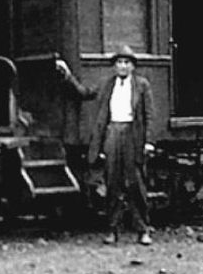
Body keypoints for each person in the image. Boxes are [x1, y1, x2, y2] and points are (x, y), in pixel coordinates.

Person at [56, 45, 154, 245]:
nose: (123, 66)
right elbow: (83, 92)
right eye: (119, 62)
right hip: (112, 134)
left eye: (127, 63)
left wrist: (148, 142)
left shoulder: (142, 85)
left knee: (136, 184)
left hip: (132, 136)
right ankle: (112, 230)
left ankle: (143, 230)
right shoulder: (107, 85)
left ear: (133, 66)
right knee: (113, 184)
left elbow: (149, 116)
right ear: (114, 66)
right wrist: (67, 75)